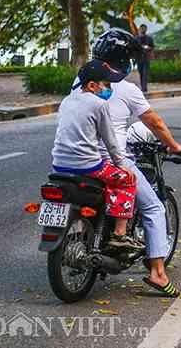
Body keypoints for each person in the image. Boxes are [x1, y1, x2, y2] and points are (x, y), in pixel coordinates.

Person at [88, 28, 181, 297]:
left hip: (79, 159)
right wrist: (174, 145)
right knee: (154, 207)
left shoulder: (82, 81)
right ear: (125, 61)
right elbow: (154, 122)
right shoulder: (126, 88)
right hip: (113, 160)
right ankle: (157, 273)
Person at [52, 60, 142, 251]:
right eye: (106, 85)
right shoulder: (98, 104)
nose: (109, 89)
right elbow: (110, 141)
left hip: (59, 165)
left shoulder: (66, 102)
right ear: (92, 85)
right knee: (127, 180)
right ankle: (120, 234)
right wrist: (121, 165)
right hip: (88, 166)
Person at [135, 24, 154, 93]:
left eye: (144, 28)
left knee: (145, 73)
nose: (143, 29)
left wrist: (148, 48)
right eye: (142, 28)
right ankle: (143, 87)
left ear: (146, 29)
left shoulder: (149, 38)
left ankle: (144, 88)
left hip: (146, 58)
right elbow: (134, 48)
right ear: (139, 29)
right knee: (141, 73)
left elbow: (152, 47)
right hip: (139, 58)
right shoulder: (136, 38)